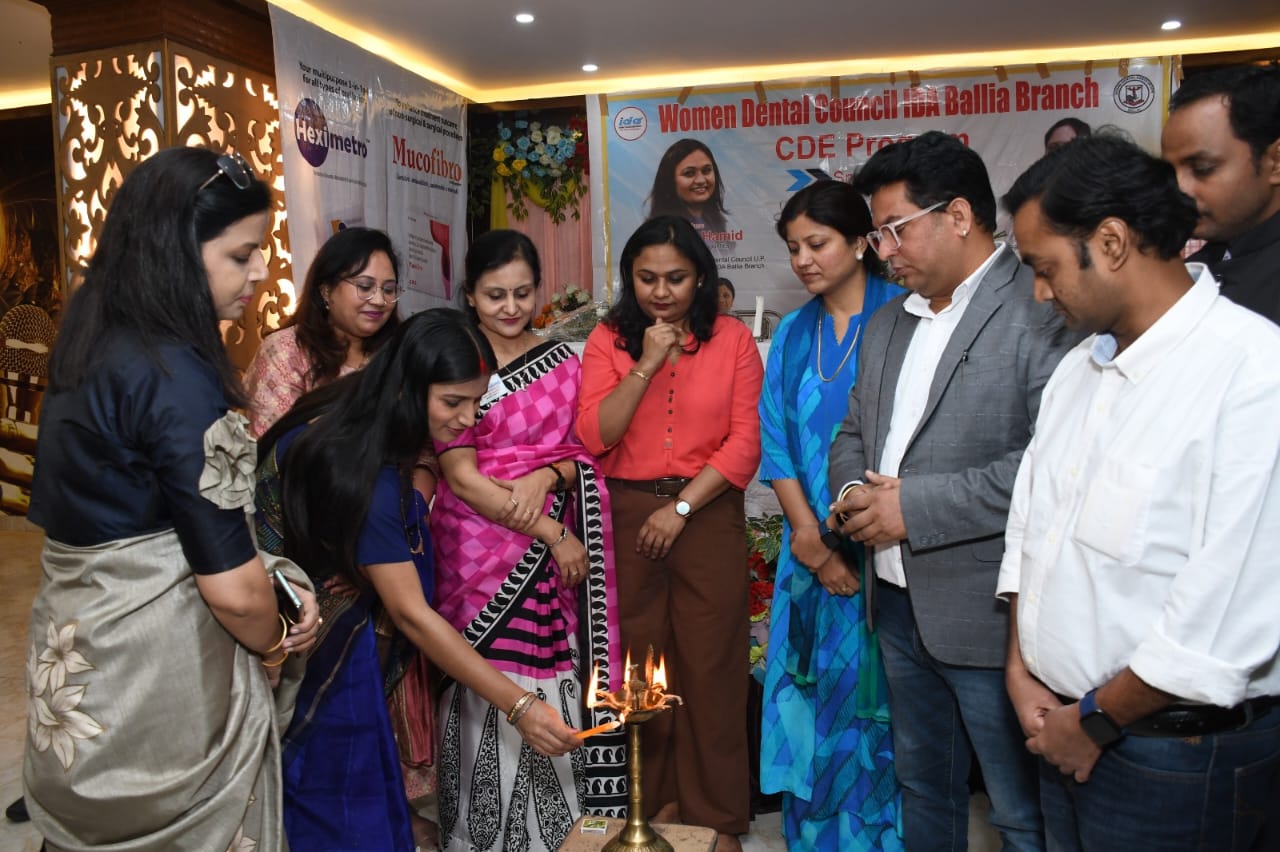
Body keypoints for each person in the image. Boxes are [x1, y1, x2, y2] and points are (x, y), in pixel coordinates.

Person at [21, 146, 320, 851]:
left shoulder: (90, 339)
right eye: (241, 254)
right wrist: (278, 640)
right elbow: (234, 594)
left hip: (83, 650)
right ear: (176, 251)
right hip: (158, 671)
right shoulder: (177, 375)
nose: (260, 271)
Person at [1000, 134, 1280, 851]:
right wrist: (1021, 670)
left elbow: (1224, 614)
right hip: (1060, 726)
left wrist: (1094, 720)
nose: (1039, 292)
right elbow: (1032, 533)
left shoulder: (1252, 374)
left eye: (1045, 268)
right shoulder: (1078, 371)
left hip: (1173, 757)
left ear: (1112, 242)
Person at [829, 130, 1076, 852]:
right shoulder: (887, 322)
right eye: (876, 235)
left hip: (991, 612)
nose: (882, 251)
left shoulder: (1041, 306)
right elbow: (853, 431)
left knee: (1020, 810)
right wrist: (855, 492)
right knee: (923, 788)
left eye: (894, 229)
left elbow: (1051, 464)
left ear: (959, 216)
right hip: (896, 602)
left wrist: (911, 508)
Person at [256, 309, 583, 851]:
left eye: (476, 401)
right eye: (452, 402)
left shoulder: (360, 406)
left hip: (339, 634)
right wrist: (520, 706)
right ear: (408, 386)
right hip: (319, 651)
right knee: (338, 808)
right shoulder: (360, 468)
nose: (467, 419)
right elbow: (411, 613)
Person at [429, 230, 625, 850]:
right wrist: (553, 532)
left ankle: (556, 832)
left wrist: (550, 476)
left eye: (522, 292)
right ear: (469, 294)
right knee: (479, 677)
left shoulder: (564, 361)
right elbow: (462, 476)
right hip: (475, 546)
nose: (510, 307)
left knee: (553, 666)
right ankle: (479, 832)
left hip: (549, 549)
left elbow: (585, 451)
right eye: (495, 295)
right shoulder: (455, 361)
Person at [577, 215, 763, 852]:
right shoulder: (609, 340)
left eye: (676, 278)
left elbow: (745, 444)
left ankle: (717, 817)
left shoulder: (732, 339)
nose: (661, 291)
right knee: (639, 663)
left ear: (701, 278)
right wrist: (646, 364)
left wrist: (680, 508)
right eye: (647, 278)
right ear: (629, 279)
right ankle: (649, 803)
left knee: (712, 663)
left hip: (706, 510)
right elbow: (594, 435)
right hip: (627, 511)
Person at [758, 180, 905, 851]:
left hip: (883, 551)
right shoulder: (793, 332)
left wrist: (845, 543)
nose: (803, 260)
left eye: (816, 243)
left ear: (861, 242)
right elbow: (776, 444)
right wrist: (810, 543)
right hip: (807, 554)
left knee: (881, 709)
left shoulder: (901, 319)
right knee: (807, 704)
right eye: (794, 248)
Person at [244, 226, 401, 437]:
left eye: (389, 290)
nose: (380, 301)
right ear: (326, 290)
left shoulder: (400, 351)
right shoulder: (287, 350)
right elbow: (275, 443)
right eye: (365, 287)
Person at [1161, 64, 1280, 323]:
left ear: (1275, 162)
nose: (1180, 189)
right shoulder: (1187, 273)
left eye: (1202, 169)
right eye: (1170, 172)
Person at [647, 138, 729, 234]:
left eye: (706, 171)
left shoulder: (715, 221)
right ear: (670, 181)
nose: (701, 180)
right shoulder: (664, 231)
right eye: (689, 173)